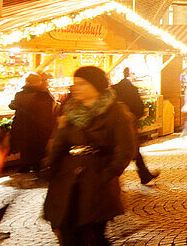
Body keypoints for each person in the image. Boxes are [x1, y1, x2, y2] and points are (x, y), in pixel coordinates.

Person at [43, 67, 135, 246]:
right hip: (67, 178)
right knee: (66, 228)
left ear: (96, 86)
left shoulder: (115, 111)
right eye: (75, 83)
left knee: (92, 232)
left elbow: (127, 147)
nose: (76, 88)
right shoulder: (71, 109)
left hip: (96, 177)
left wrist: (108, 173)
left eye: (82, 84)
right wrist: (50, 168)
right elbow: (59, 144)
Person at [112, 68, 158, 185]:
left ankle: (144, 175)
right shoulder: (132, 90)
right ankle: (143, 175)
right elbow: (139, 108)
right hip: (129, 123)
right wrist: (135, 117)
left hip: (117, 124)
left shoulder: (114, 90)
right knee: (131, 149)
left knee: (133, 150)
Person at [8, 73, 55, 175]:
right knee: (36, 146)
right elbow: (48, 112)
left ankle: (26, 165)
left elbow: (13, 105)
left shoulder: (21, 94)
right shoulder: (44, 94)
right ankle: (35, 165)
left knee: (26, 146)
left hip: (24, 125)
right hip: (38, 125)